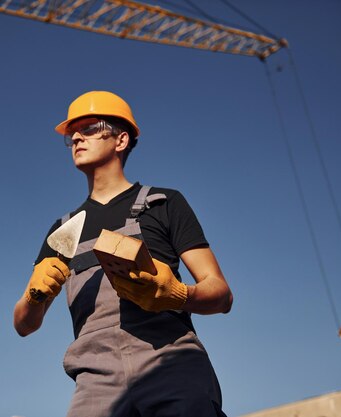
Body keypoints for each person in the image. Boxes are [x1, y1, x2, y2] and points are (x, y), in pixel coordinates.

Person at [13, 91, 233, 417]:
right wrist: (32, 296)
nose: (75, 137)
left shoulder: (163, 204)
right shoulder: (63, 231)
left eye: (89, 128)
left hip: (170, 362)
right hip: (95, 378)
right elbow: (24, 325)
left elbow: (221, 294)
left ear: (120, 139)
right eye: (72, 133)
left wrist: (178, 294)